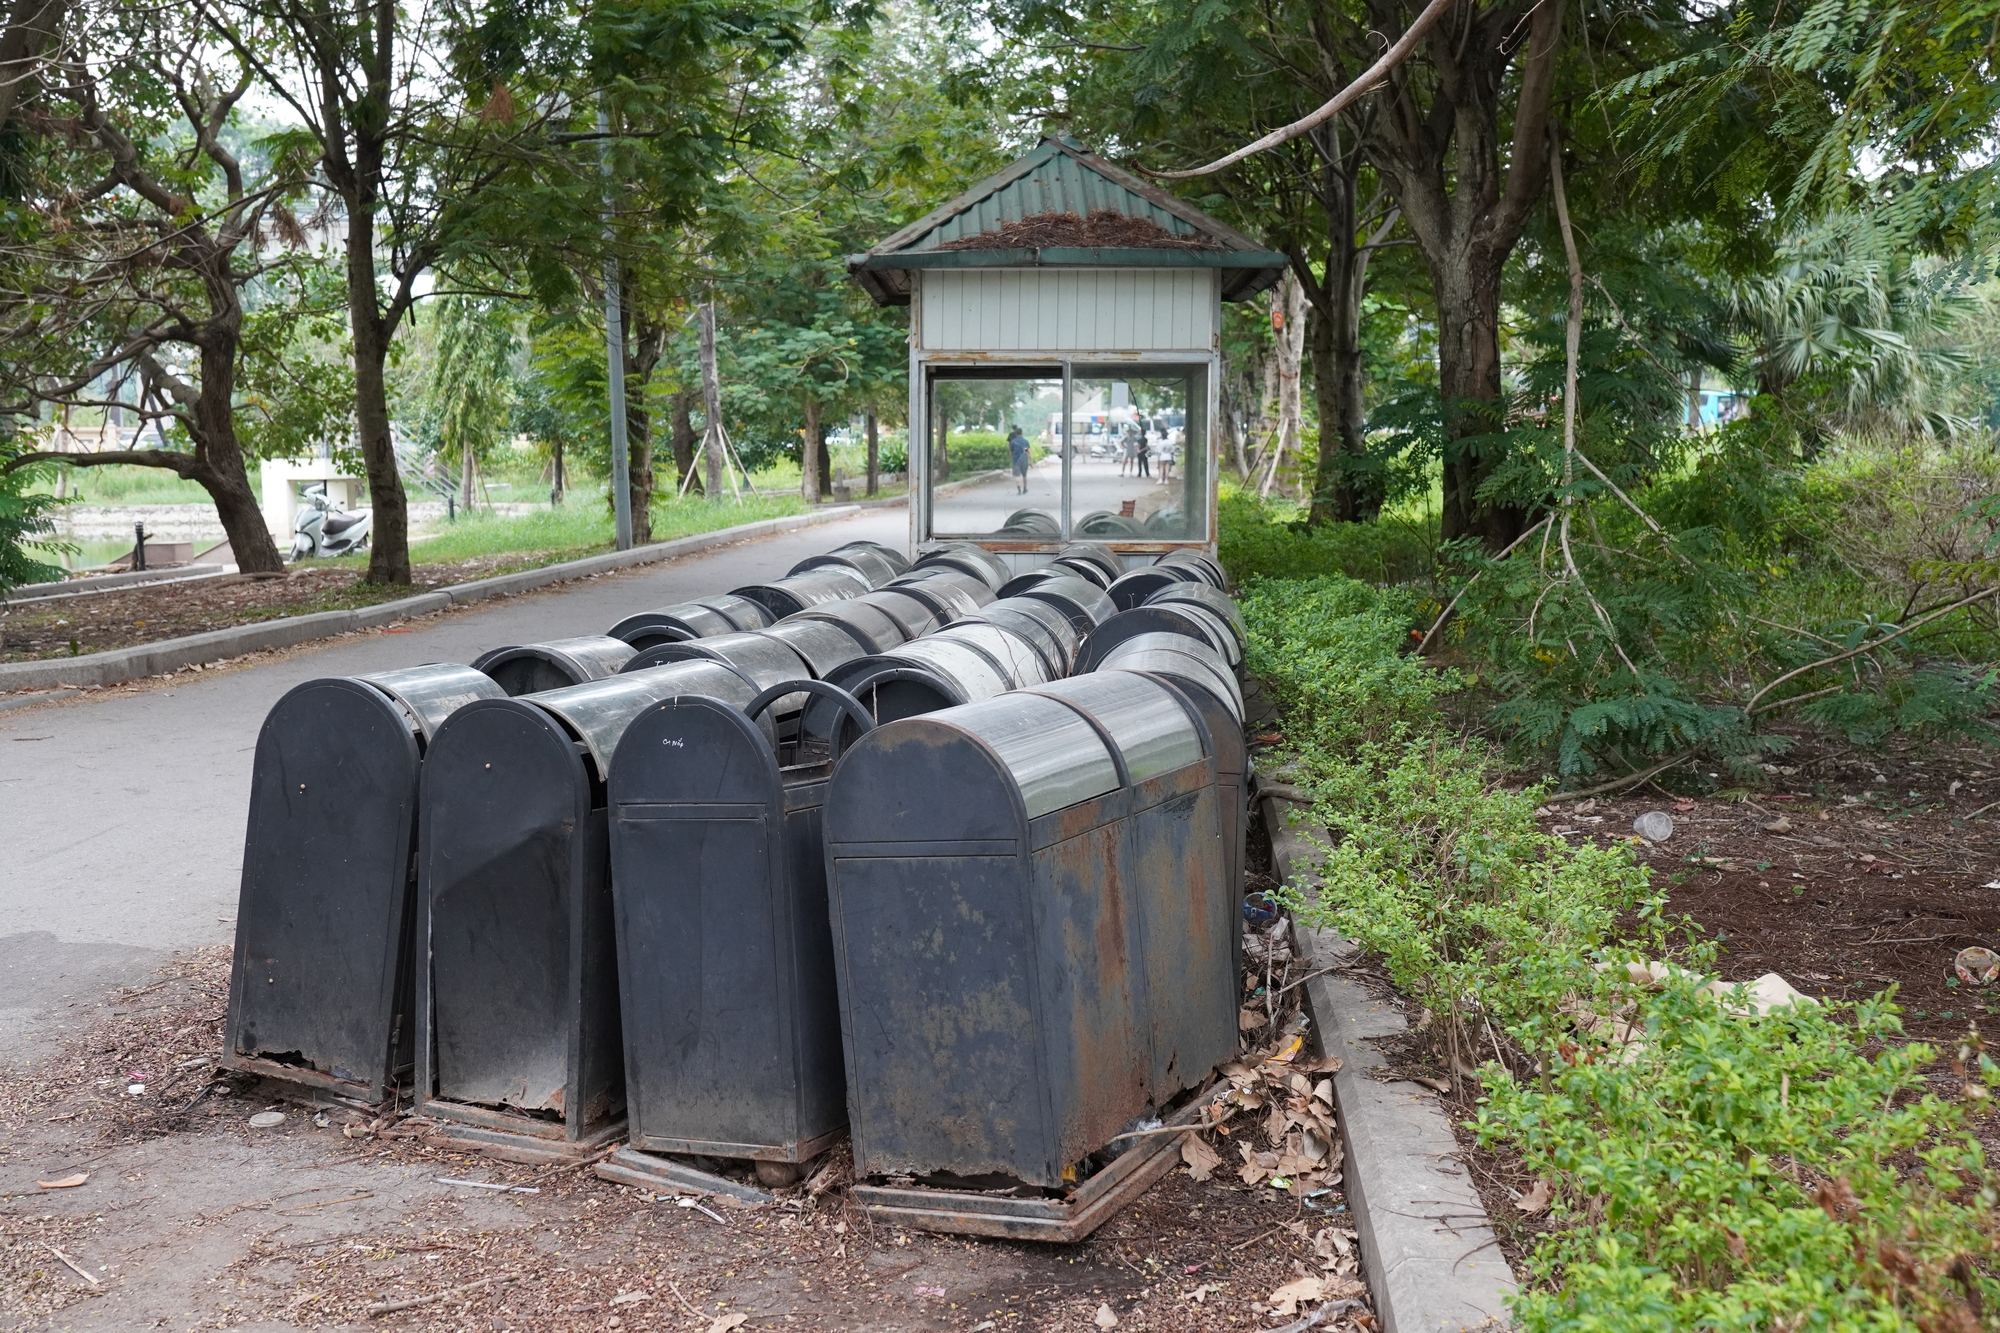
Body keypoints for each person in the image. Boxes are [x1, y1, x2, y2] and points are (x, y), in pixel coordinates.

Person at [1007, 423, 1031, 494]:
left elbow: (1011, 452)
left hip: (1016, 460)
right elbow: (1028, 452)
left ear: (1016, 433)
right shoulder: (1025, 441)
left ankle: (1019, 489)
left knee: (1017, 475)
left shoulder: (1013, 442)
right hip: (1024, 460)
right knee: (1024, 475)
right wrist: (1031, 461)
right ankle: (1025, 489)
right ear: (1022, 433)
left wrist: (1011, 458)